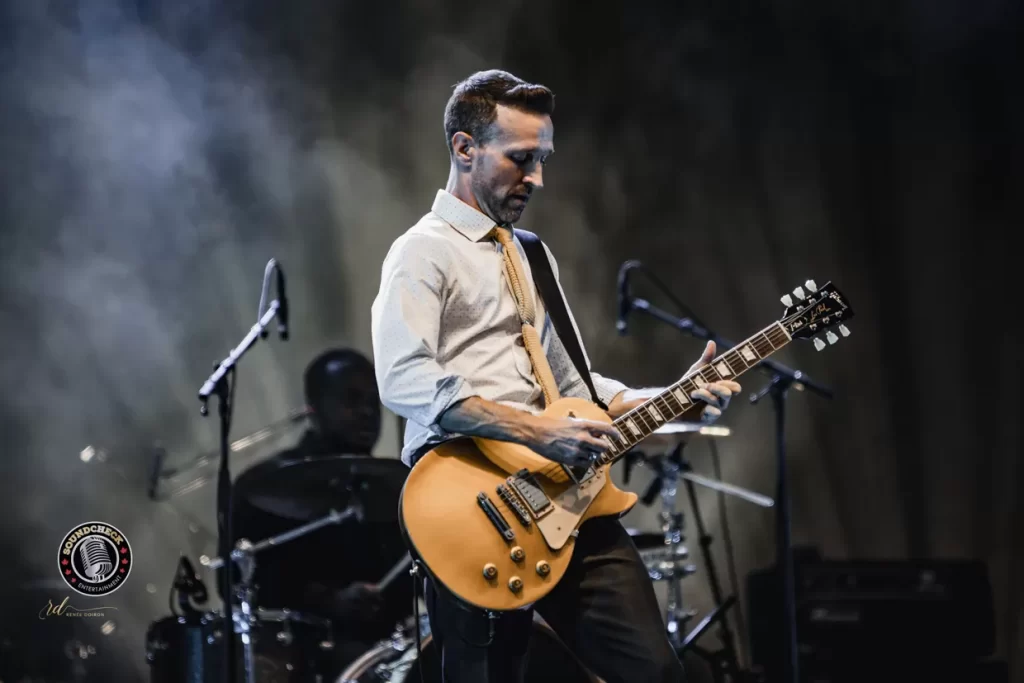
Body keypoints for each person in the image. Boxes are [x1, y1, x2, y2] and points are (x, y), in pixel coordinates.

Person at [370, 70, 742, 683]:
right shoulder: (422, 250)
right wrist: (534, 432)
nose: (537, 178)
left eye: (541, 160)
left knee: (657, 674)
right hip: (473, 506)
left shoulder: (531, 253)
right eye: (521, 159)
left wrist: (672, 399)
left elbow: (575, 391)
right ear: (465, 148)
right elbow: (403, 376)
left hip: (571, 498)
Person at [227, 348, 410, 672]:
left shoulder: (392, 486)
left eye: (374, 401)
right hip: (300, 660)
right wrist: (329, 600)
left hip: (390, 654)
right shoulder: (266, 487)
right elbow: (235, 581)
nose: (367, 412)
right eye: (352, 399)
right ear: (314, 407)